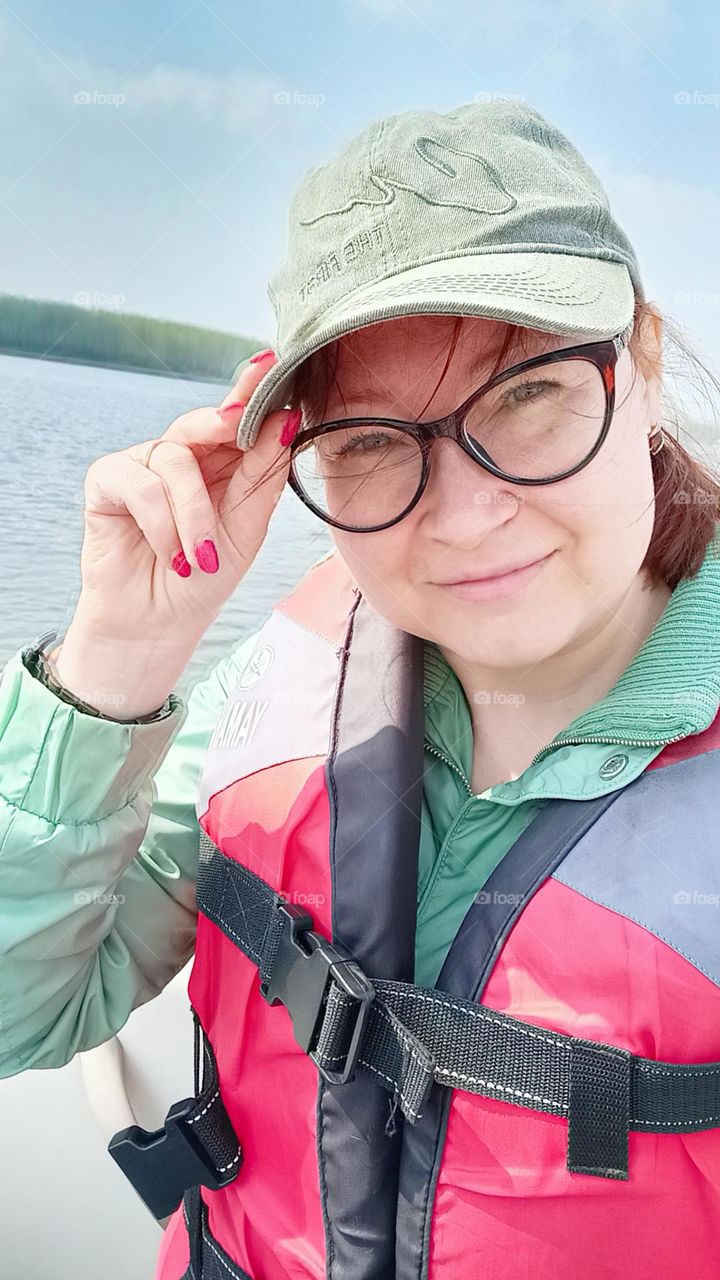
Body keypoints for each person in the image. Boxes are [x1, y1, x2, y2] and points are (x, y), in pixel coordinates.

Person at [1, 98, 720, 1280]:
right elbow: (17, 1012)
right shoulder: (286, 688)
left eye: (529, 390)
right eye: (378, 439)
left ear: (637, 363)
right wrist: (117, 661)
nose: (468, 512)